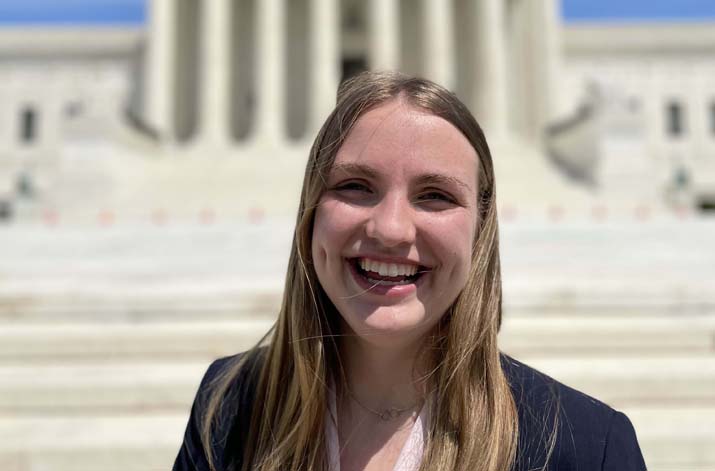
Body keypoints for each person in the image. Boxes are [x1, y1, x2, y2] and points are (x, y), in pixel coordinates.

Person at [173, 71, 646, 471]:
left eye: (435, 195)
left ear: (480, 231)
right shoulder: (227, 408)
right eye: (356, 186)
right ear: (311, 211)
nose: (392, 229)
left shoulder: (587, 449)